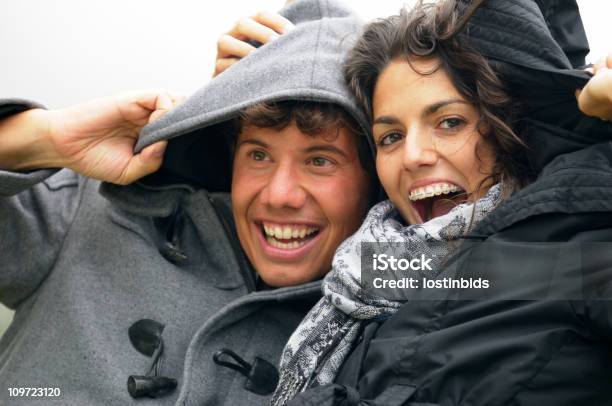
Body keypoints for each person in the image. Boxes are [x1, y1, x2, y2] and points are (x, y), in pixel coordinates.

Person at [0, 1, 376, 405]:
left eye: (320, 160)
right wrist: (50, 137)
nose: (279, 195)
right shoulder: (87, 210)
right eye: (258, 154)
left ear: (375, 177)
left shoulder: (395, 324)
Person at [264, 0, 612, 405]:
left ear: (509, 127)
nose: (413, 156)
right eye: (390, 136)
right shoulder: (360, 283)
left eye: (449, 123)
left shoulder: (579, 252)